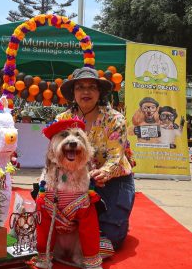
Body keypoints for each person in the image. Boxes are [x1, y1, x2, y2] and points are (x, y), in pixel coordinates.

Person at [57, 67, 135, 253]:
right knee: (61, 231)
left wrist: (105, 172)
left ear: (99, 93)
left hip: (114, 180)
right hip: (75, 181)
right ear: (73, 93)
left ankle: (116, 219)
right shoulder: (62, 119)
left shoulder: (115, 119)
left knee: (107, 241)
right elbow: (56, 156)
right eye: (80, 87)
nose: (86, 91)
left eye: (92, 87)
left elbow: (116, 155)